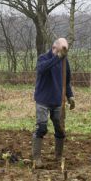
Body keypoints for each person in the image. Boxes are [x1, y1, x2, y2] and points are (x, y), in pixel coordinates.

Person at [32, 37, 74, 167]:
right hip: (43, 100)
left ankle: (58, 156)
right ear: (54, 47)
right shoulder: (43, 58)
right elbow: (41, 69)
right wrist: (57, 57)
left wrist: (70, 96)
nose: (64, 53)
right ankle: (37, 158)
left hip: (57, 101)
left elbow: (66, 81)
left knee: (60, 129)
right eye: (62, 49)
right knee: (41, 128)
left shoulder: (64, 62)